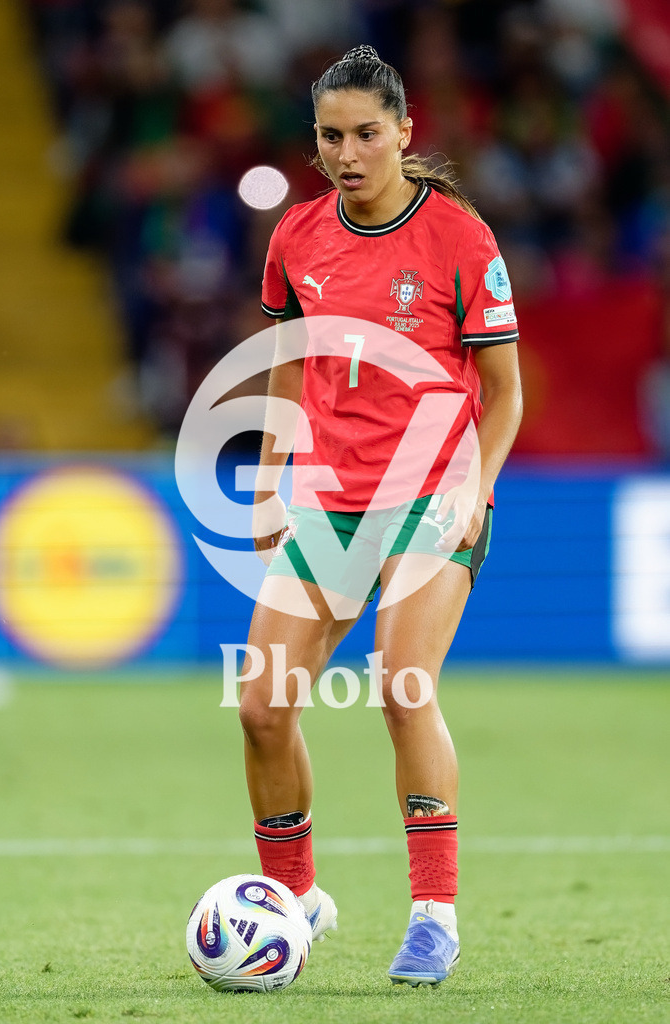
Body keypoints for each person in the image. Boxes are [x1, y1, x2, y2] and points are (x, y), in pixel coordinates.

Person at [239, 44, 523, 986]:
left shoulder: (458, 240)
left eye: (366, 134)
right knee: (261, 706)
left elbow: (503, 391)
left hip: (432, 491)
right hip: (329, 499)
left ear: (404, 131)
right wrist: (271, 473)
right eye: (331, 137)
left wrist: (473, 488)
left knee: (401, 686)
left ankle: (433, 917)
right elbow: (289, 362)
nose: (347, 154)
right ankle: (296, 899)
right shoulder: (297, 237)